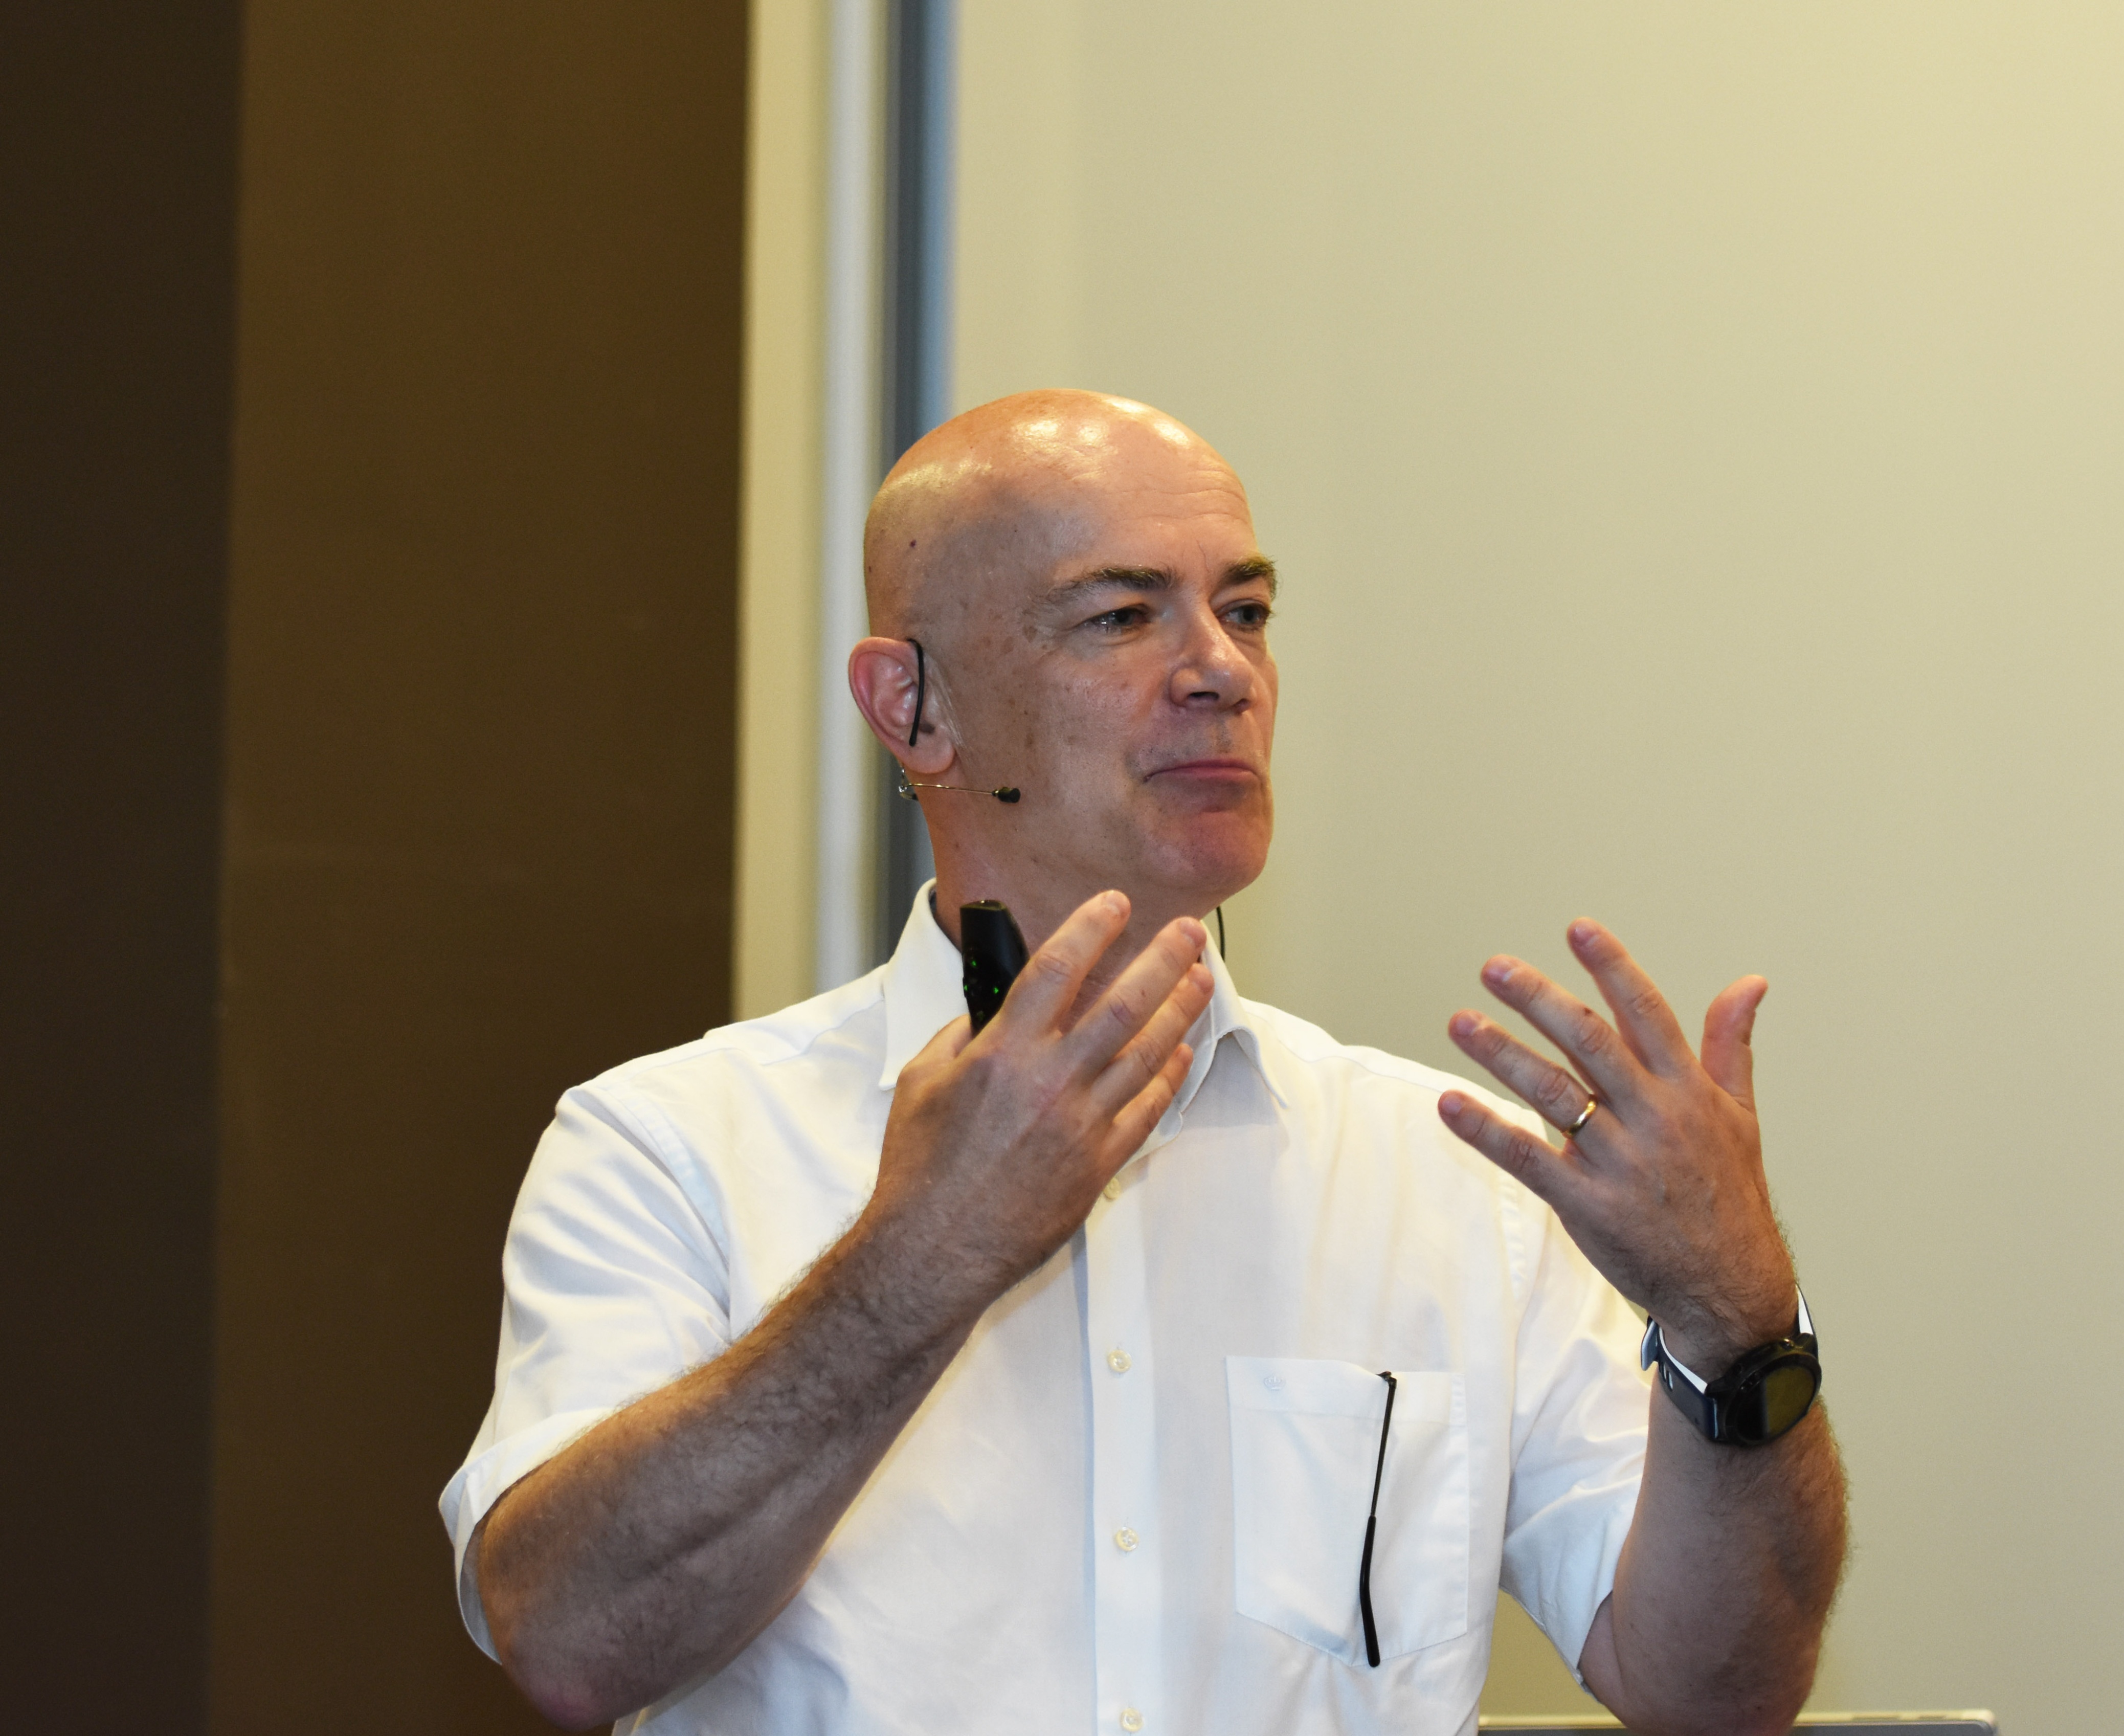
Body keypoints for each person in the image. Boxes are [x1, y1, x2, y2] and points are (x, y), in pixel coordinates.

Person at [440, 390, 1846, 1735]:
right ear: (912, 705)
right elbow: (569, 1640)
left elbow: (1715, 1690)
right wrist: (920, 1261)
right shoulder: (670, 1146)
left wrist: (1737, 1327)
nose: (1222, 670)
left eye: (1247, 611)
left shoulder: (1452, 1173)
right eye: (1121, 616)